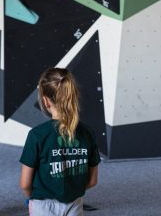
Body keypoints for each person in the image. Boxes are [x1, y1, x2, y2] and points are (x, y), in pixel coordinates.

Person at [19, 68, 100, 215]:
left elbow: (25, 184)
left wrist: (32, 198)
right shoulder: (88, 133)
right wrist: (72, 189)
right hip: (74, 203)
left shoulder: (37, 135)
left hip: (43, 205)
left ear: (45, 100)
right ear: (72, 96)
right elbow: (92, 181)